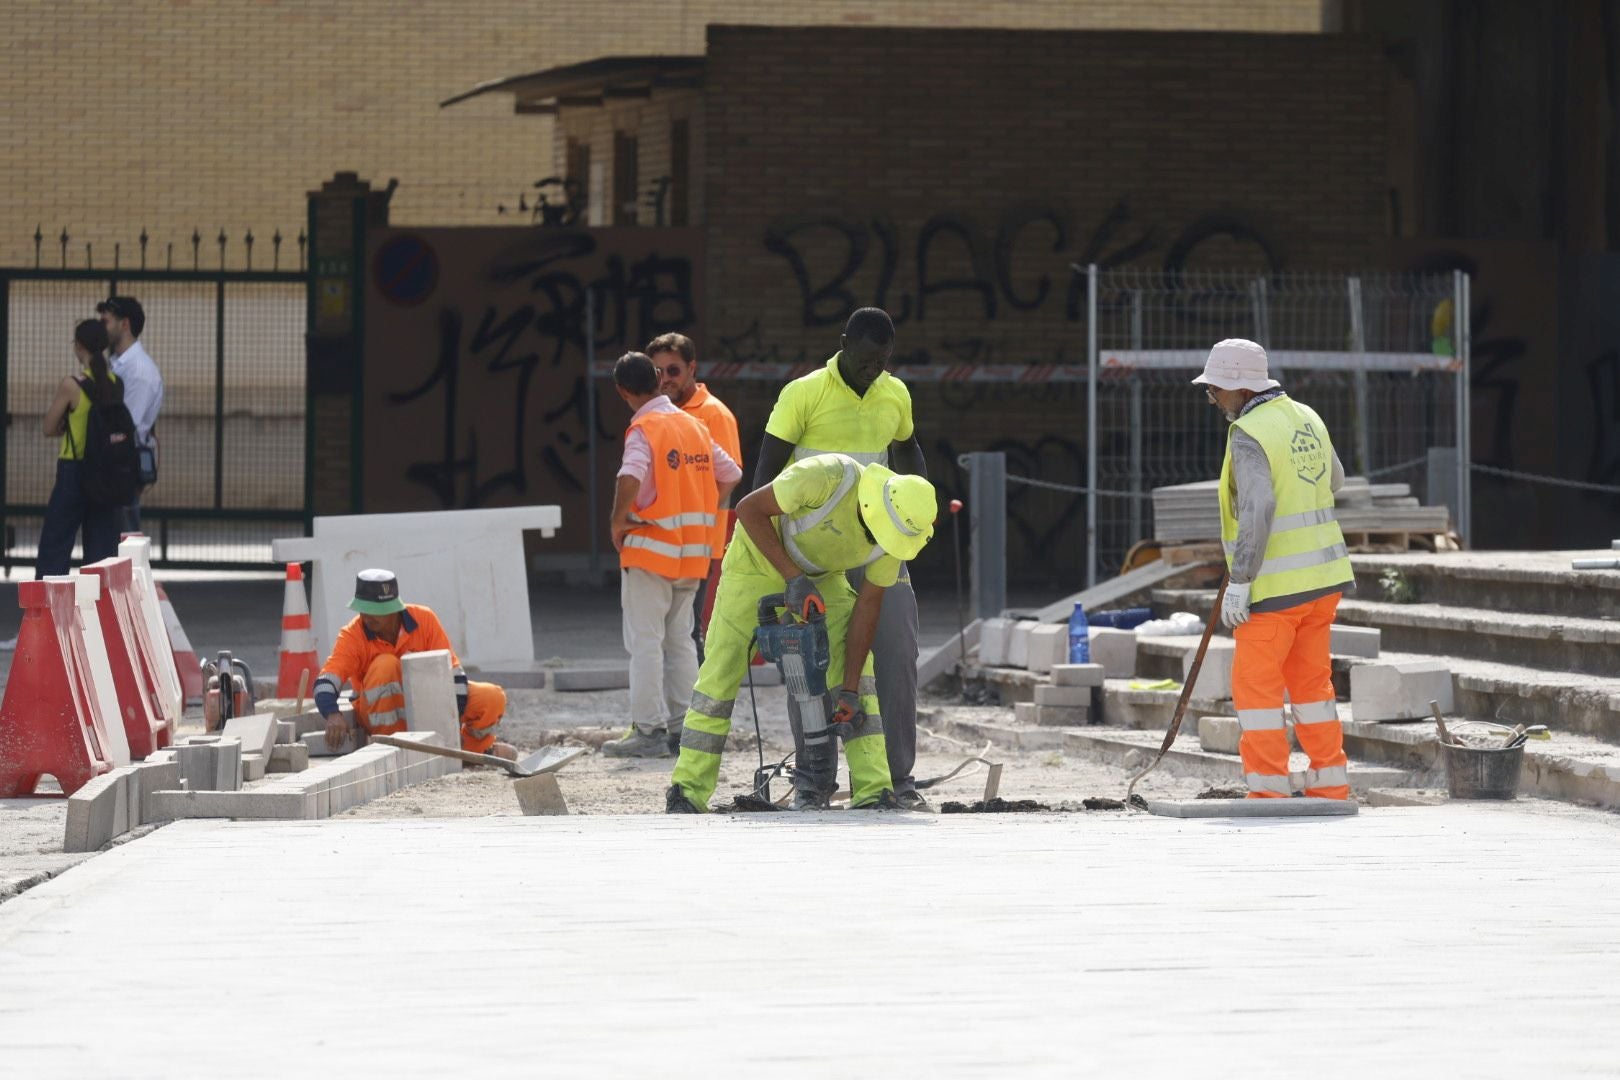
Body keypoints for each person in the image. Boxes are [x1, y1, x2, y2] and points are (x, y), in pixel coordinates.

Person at [666, 452, 937, 813]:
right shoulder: (826, 476)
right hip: (756, 563)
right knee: (719, 676)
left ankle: (875, 790)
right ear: (871, 504)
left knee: (861, 684)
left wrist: (851, 687)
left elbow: (867, 608)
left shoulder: (893, 537)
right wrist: (794, 579)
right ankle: (688, 791)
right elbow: (748, 510)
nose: (879, 541)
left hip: (825, 577)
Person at [752, 307, 931, 809]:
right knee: (809, 663)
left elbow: (909, 448)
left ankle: (898, 781)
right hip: (813, 554)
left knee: (896, 651)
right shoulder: (803, 394)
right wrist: (780, 568)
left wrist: (921, 504)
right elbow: (763, 475)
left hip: (877, 544)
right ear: (844, 344)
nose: (876, 369)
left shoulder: (894, 393)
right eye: (868, 359)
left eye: (885, 360)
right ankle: (815, 781)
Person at [1194, 338, 1355, 800]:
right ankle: (1331, 784)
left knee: (1257, 691)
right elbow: (1335, 478)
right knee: (1312, 686)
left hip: (1275, 590)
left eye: (1215, 389)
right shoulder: (1306, 416)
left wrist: (1241, 581)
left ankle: (1268, 791)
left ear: (1240, 389)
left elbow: (1259, 505)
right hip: (1323, 582)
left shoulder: (1250, 432)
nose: (1211, 398)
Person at [603, 351, 742, 758]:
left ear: (622, 391)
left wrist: (618, 520)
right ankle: (685, 729)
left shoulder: (645, 428)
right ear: (659, 379)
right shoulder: (693, 425)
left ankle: (647, 731)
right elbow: (730, 472)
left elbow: (631, 473)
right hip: (692, 553)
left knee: (645, 643)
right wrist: (705, 508)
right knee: (681, 641)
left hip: (650, 551)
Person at [313, 569, 517, 760]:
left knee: (492, 698)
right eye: (362, 609)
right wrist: (332, 714)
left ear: (393, 608)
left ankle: (467, 753)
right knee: (386, 665)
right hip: (378, 716)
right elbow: (326, 681)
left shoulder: (424, 620)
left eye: (374, 610)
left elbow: (453, 674)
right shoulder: (352, 635)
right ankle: (394, 752)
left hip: (425, 701)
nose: (366, 616)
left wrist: (450, 731)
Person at [647, 331, 742, 657]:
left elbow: (727, 479)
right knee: (672, 633)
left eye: (673, 370)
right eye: (657, 372)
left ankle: (697, 705)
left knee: (687, 633)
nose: (665, 379)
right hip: (666, 542)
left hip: (696, 544)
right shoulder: (658, 412)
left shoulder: (714, 414)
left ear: (692, 368)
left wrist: (693, 520)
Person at [36, 319, 128, 578]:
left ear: (79, 346)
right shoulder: (115, 383)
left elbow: (48, 427)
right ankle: (98, 609)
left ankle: (49, 611)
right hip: (107, 471)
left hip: (74, 469)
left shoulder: (72, 385)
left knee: (56, 542)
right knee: (102, 549)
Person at [98, 296, 162, 530]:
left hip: (123, 468)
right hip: (114, 466)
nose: (102, 326)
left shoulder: (139, 371)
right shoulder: (118, 363)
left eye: (107, 321)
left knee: (124, 546)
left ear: (124, 324)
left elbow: (126, 425)